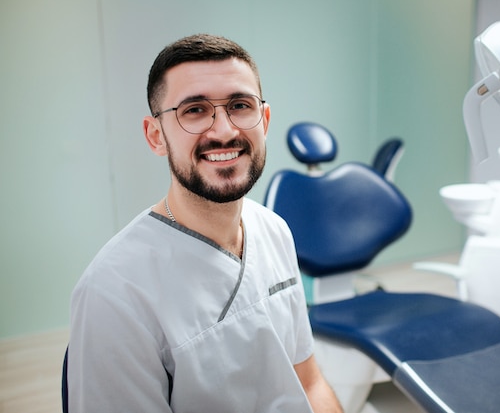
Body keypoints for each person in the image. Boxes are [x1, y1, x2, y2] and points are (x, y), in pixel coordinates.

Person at [68, 34, 343, 413]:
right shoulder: (114, 293)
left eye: (240, 105)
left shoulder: (275, 231)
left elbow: (309, 383)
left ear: (264, 120)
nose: (224, 130)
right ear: (155, 136)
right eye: (194, 110)